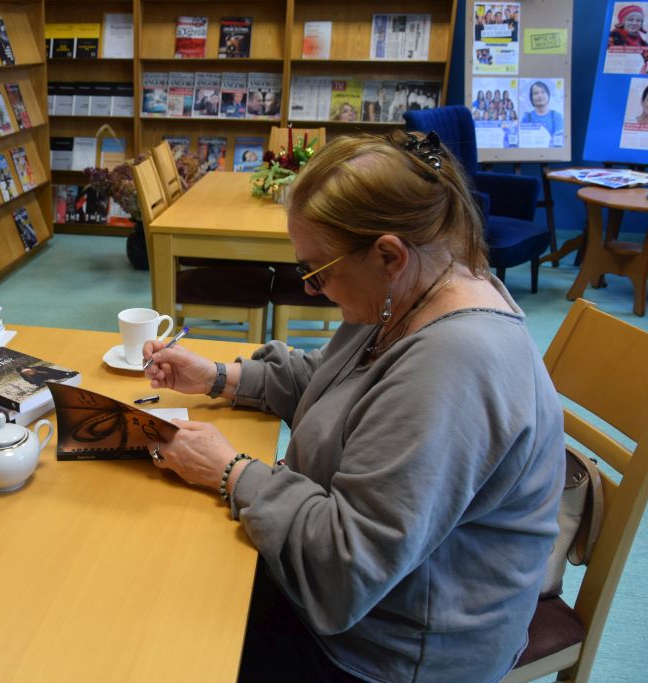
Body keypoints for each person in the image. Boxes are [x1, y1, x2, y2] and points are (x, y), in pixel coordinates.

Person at [142, 131, 564, 682]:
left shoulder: (453, 365)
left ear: (389, 255)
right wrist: (220, 377)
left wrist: (230, 470)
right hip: (366, 598)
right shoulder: (420, 286)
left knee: (163, 637)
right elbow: (335, 380)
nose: (312, 289)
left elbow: (345, 571)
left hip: (389, 651)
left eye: (318, 272)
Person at [608, 4, 648, 71]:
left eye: (638, 20)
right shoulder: (613, 36)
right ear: (623, 22)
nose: (634, 23)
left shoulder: (640, 40)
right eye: (630, 20)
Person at [520, 80, 564, 145]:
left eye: (543, 92)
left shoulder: (556, 116)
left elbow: (559, 142)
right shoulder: (527, 117)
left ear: (548, 95)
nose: (539, 95)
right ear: (531, 98)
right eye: (536, 93)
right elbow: (524, 140)